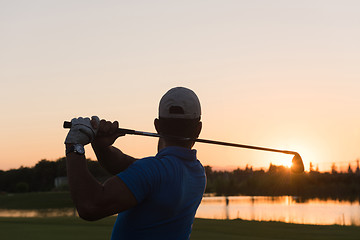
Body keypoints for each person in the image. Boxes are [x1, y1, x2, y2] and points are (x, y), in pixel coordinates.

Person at [64, 87, 206, 240]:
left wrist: (75, 145)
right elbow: (123, 165)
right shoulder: (197, 172)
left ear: (157, 126)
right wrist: (102, 147)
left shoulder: (152, 171)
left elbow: (90, 205)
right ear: (198, 129)